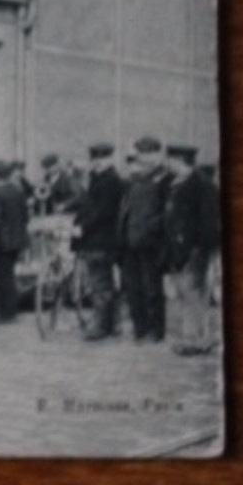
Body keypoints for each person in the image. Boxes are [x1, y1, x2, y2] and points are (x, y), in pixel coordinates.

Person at [163, 144, 221, 355]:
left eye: (170, 159)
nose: (167, 163)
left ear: (179, 160)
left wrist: (201, 247)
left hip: (194, 248)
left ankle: (195, 339)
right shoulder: (178, 183)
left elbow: (209, 221)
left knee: (193, 291)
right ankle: (193, 336)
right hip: (179, 248)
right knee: (184, 292)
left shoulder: (201, 185)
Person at [117, 136, 171, 344]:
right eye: (141, 153)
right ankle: (140, 328)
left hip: (150, 242)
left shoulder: (164, 178)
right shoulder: (136, 179)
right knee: (133, 288)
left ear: (157, 155)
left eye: (148, 153)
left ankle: (155, 330)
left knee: (152, 289)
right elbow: (126, 209)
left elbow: (168, 211)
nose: (143, 158)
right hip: (130, 241)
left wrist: (151, 227)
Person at [75, 142, 125, 340]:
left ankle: (101, 326)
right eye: (95, 159)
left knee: (100, 283)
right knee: (103, 282)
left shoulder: (110, 181)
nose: (97, 162)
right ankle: (111, 324)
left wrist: (82, 226)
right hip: (97, 238)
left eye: (101, 159)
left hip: (103, 239)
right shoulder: (98, 179)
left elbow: (103, 212)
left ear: (110, 159)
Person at [0, 160, 30, 323]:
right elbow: (25, 216)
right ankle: (11, 311)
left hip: (2, 241)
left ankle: (6, 314)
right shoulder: (18, 191)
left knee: (3, 278)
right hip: (17, 240)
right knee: (9, 275)